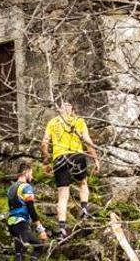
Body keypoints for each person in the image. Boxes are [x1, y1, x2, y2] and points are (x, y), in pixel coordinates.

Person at [41, 101, 100, 238]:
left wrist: (46, 159)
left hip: (59, 158)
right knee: (83, 183)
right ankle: (84, 209)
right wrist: (95, 159)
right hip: (76, 155)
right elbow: (87, 141)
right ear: (72, 110)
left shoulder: (53, 122)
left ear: (60, 110)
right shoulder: (78, 121)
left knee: (62, 194)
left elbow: (44, 143)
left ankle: (62, 227)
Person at [7, 162, 48, 261]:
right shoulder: (26, 187)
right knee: (39, 245)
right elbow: (31, 208)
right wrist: (40, 229)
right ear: (26, 172)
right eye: (31, 173)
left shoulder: (11, 188)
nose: (32, 177)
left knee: (19, 254)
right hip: (21, 223)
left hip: (11, 223)